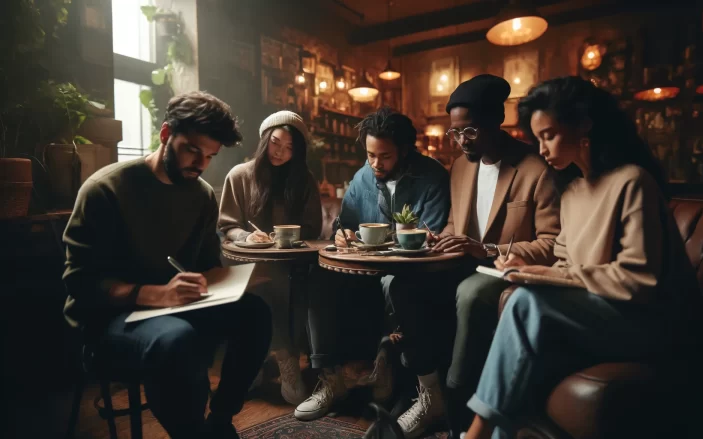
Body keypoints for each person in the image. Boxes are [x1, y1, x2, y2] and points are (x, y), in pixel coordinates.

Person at [463, 76, 698, 439]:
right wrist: (531, 269)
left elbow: (639, 280)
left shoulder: (632, 181)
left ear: (584, 125)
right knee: (521, 342)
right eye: (538, 138)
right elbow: (567, 265)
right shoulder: (572, 191)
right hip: (595, 318)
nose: (541, 149)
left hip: (647, 323)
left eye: (550, 135)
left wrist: (545, 278)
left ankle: (476, 433)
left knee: (526, 303)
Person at [62, 92, 272, 439]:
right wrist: (158, 295)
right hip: (111, 320)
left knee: (255, 314)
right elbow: (82, 286)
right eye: (192, 149)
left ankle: (219, 420)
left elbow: (206, 265)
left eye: (210, 156)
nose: (201, 164)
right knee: (176, 340)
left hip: (175, 311)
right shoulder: (105, 190)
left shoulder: (202, 194)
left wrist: (226, 283)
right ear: (165, 135)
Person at [394, 74, 560, 438]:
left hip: (502, 270)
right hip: (465, 264)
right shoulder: (460, 167)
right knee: (404, 286)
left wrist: (486, 249)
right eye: (454, 133)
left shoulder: (536, 168)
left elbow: (550, 244)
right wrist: (443, 239)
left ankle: (458, 402)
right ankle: (429, 392)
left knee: (469, 295)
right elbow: (457, 226)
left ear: (494, 123)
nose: (460, 142)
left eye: (468, 132)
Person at [295, 107, 451, 422]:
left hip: (411, 273)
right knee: (318, 276)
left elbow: (430, 238)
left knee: (395, 286)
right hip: (365, 271)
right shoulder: (363, 176)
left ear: (405, 150)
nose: (376, 164)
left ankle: (426, 391)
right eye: (370, 155)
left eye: (385, 156)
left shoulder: (432, 176)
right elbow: (344, 224)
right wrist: (342, 234)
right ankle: (332, 380)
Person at [218, 111, 321, 405]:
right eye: (276, 143)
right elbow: (228, 226)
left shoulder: (304, 180)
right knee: (269, 280)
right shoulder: (239, 175)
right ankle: (285, 359)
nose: (281, 153)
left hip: (293, 259)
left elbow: (313, 228)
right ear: (265, 139)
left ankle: (275, 359)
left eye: (290, 149)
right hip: (247, 261)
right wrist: (247, 237)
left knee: (295, 281)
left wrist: (288, 242)